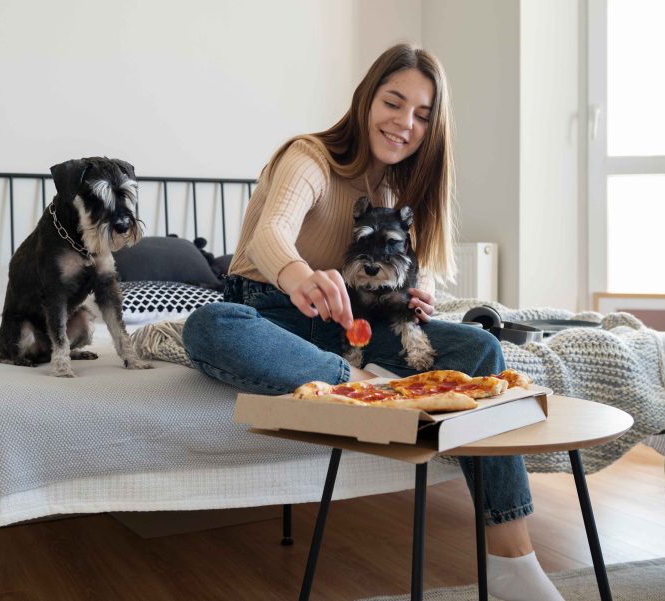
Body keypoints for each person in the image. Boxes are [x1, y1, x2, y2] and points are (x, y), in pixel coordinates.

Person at [182, 43, 563, 601]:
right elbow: (271, 234)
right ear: (366, 98)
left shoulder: (392, 193)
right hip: (270, 312)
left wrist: (421, 295)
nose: (405, 123)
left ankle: (513, 559)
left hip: (352, 324)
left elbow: (418, 267)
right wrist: (298, 276)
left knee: (480, 349)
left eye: (423, 115)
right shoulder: (308, 157)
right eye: (394, 101)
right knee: (210, 324)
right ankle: (361, 387)